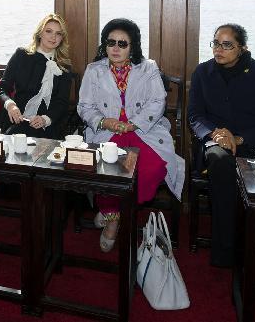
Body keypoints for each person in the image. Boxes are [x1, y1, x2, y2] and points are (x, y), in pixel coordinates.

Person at [188, 23, 255, 293]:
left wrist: (237, 139)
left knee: (227, 181)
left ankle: (237, 256)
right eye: (215, 43)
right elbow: (195, 116)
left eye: (227, 45)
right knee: (220, 161)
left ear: (243, 48)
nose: (219, 49)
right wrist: (215, 134)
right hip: (216, 145)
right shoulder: (202, 72)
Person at [77, 18, 184, 252]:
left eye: (122, 43)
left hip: (143, 132)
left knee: (151, 169)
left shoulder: (148, 67)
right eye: (111, 42)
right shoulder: (94, 70)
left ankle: (113, 212)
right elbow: (84, 106)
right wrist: (104, 121)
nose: (115, 48)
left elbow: (157, 102)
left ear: (132, 46)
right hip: (107, 133)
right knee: (104, 169)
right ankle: (112, 218)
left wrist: (134, 124)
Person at [0, 14, 74, 210]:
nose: (53, 37)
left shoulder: (64, 67)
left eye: (58, 34)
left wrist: (45, 119)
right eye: (49, 31)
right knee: (17, 135)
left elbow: (61, 103)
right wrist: (10, 104)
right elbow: (3, 87)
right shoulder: (22, 55)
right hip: (16, 116)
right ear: (40, 33)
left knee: (27, 138)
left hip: (47, 123)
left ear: (62, 38)